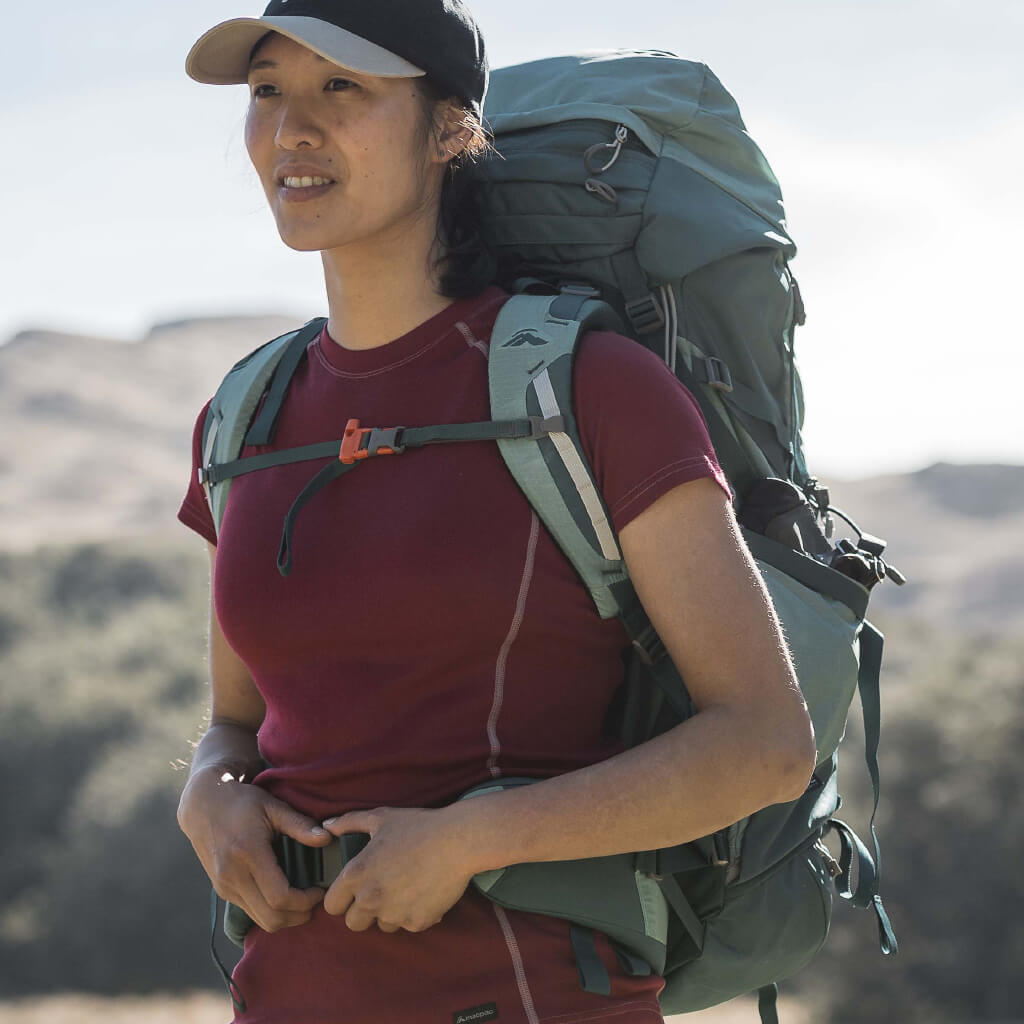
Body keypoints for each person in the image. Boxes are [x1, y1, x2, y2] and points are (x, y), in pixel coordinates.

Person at [176, 2, 818, 1021]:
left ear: (448, 131)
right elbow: (237, 722)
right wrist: (206, 791)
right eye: (267, 91)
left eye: (341, 88)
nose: (292, 128)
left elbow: (766, 744)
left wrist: (476, 838)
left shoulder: (591, 389)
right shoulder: (245, 417)